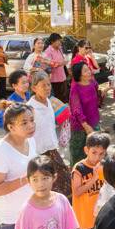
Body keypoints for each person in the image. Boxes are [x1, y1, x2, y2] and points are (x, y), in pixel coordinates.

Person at [27, 70, 72, 199]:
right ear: (34, 88)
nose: (47, 88)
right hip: (39, 154)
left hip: (52, 149)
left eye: (48, 84)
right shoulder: (30, 108)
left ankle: (63, 209)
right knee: (48, 186)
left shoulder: (49, 102)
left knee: (65, 181)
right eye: (43, 85)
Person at [71, 132, 109, 229]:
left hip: (99, 216)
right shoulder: (79, 168)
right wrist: (93, 179)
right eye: (94, 152)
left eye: (101, 153)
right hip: (84, 218)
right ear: (86, 150)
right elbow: (76, 192)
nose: (97, 157)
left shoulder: (103, 166)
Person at [69, 62, 100, 166]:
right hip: (80, 126)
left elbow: (97, 99)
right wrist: (85, 125)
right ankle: (75, 176)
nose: (89, 72)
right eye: (86, 70)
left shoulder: (93, 83)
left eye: (88, 69)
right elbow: (76, 109)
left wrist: (109, 88)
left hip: (94, 122)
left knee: (96, 151)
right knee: (78, 154)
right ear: (79, 74)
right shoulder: (75, 88)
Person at [44, 33, 69, 102]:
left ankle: (64, 111)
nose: (60, 43)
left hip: (63, 77)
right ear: (52, 41)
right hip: (54, 80)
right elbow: (49, 64)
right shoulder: (48, 51)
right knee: (57, 99)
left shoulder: (59, 49)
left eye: (60, 41)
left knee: (64, 97)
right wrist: (61, 63)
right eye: (58, 41)